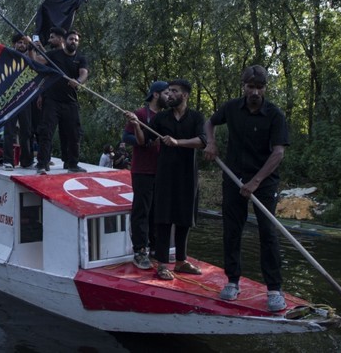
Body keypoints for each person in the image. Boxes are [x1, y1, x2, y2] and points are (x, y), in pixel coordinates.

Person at [203, 65, 290, 312]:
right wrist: (211, 142)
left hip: (264, 180)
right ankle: (232, 282)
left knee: (268, 232)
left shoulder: (274, 115)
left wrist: (255, 182)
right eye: (250, 87)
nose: (254, 92)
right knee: (232, 230)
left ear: (265, 88)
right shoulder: (231, 108)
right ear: (244, 86)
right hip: (234, 176)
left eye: (259, 87)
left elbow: (278, 153)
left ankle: (274, 289)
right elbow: (210, 122)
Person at [147, 78, 206, 280]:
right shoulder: (161, 118)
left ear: (185, 95)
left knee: (184, 218)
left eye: (174, 91)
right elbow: (146, 139)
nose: (170, 94)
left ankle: (181, 261)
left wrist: (177, 142)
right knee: (163, 218)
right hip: (165, 175)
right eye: (169, 91)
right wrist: (135, 124)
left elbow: (202, 141)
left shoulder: (196, 117)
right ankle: (162, 264)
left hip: (187, 175)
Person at [123, 80, 169, 269]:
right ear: (156, 94)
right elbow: (126, 137)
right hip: (142, 170)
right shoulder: (140, 114)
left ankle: (155, 248)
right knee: (141, 210)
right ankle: (139, 250)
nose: (169, 96)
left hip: (161, 171)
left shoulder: (166, 117)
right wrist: (145, 142)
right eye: (166, 93)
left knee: (157, 211)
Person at [32, 29, 89, 174]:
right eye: (71, 39)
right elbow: (36, 61)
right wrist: (31, 47)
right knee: (46, 132)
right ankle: (42, 164)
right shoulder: (53, 55)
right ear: (65, 40)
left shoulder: (80, 58)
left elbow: (84, 73)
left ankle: (72, 164)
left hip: (70, 102)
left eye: (76, 40)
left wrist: (78, 81)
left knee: (74, 134)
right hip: (52, 101)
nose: (73, 42)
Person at [1, 33, 36, 170]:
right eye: (19, 43)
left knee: (26, 130)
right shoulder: (8, 56)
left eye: (24, 43)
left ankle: (26, 160)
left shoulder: (29, 58)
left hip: (25, 98)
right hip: (10, 99)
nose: (22, 45)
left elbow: (35, 64)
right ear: (14, 44)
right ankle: (8, 161)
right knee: (9, 131)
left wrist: (31, 44)